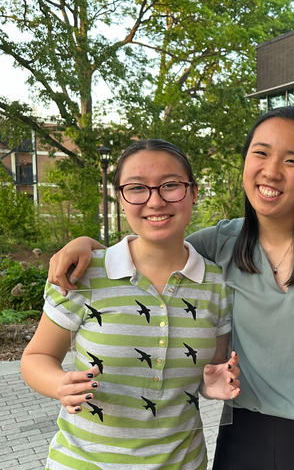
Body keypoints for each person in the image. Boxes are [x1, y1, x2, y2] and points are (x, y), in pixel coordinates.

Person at [46, 107, 294, 470]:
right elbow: (152, 250)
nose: (271, 170)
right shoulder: (217, 244)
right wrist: (88, 244)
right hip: (244, 430)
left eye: (292, 160)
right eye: (261, 153)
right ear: (244, 164)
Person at [22, 140, 240, 470]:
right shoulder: (84, 273)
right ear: (121, 199)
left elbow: (213, 369)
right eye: (137, 188)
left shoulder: (215, 284)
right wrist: (59, 384)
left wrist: (213, 384)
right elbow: (37, 357)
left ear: (193, 192)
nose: (155, 200)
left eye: (170, 185)